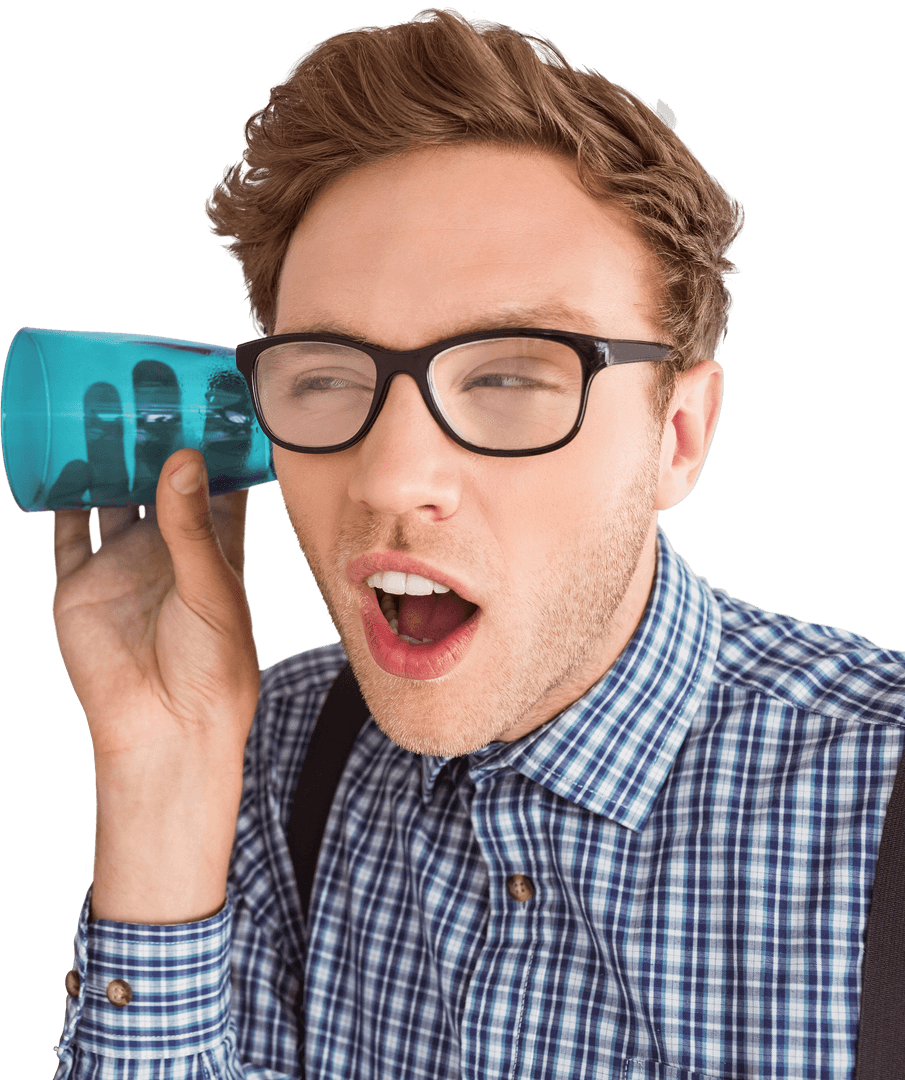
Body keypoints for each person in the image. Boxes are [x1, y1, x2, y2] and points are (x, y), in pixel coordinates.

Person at [49, 8, 904, 1079]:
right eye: (324, 376)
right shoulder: (273, 760)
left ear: (676, 439)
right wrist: (161, 778)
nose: (391, 477)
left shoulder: (878, 796)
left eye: (508, 376)